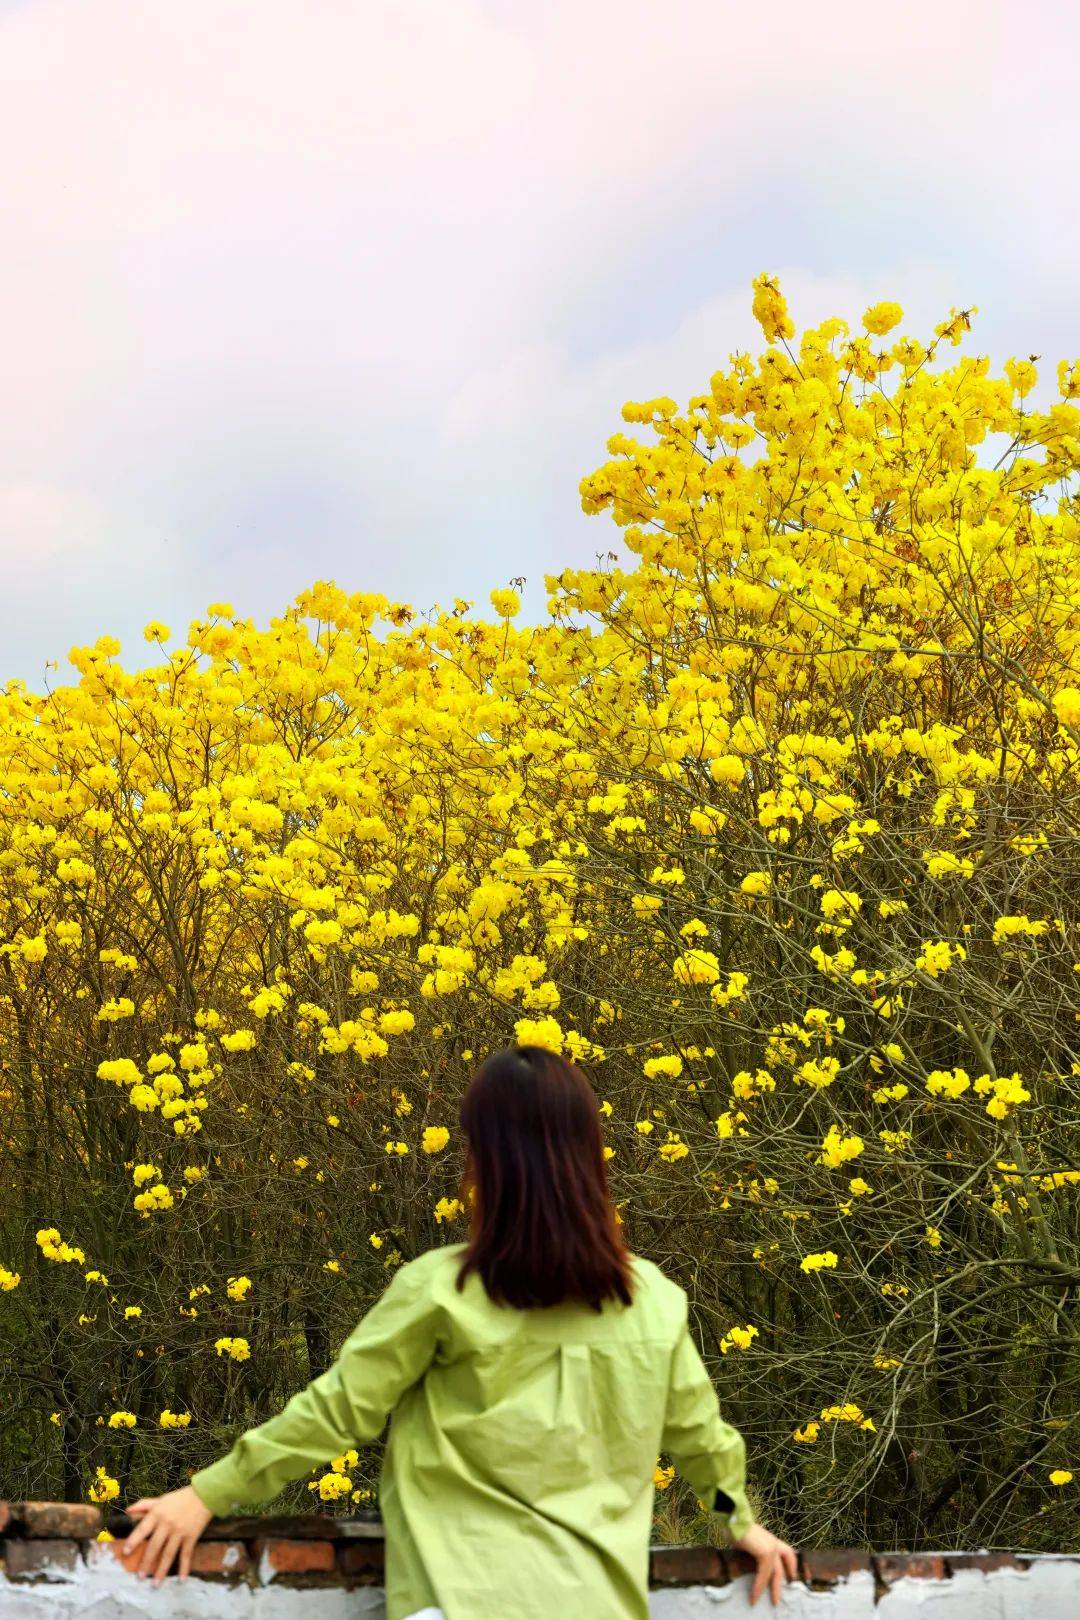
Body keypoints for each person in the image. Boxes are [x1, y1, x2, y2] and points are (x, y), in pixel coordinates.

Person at [115, 1044, 797, 1614]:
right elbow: (703, 1442)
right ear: (592, 1155)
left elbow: (337, 1412)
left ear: (486, 1162)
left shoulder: (442, 1291)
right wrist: (744, 1525)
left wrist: (206, 1492)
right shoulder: (655, 1305)